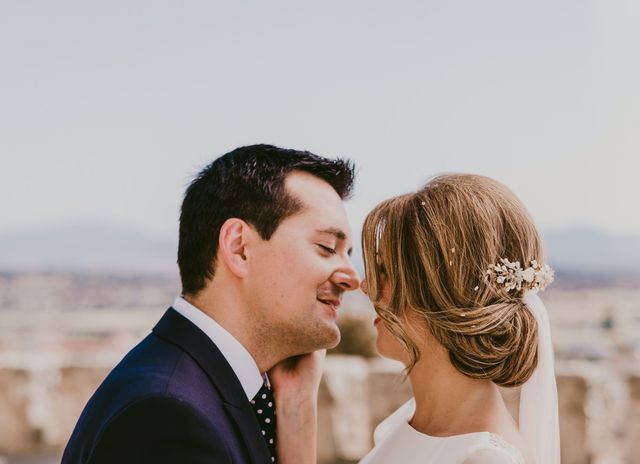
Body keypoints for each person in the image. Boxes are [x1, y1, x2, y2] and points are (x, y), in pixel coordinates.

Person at [62, 144, 360, 464]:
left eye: (348, 254)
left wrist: (297, 408)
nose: (353, 278)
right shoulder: (168, 418)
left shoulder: (202, 388)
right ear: (239, 248)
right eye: (328, 247)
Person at [355, 173, 560, 464]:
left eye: (385, 271)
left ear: (442, 292)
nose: (366, 286)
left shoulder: (483, 458)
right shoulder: (411, 423)